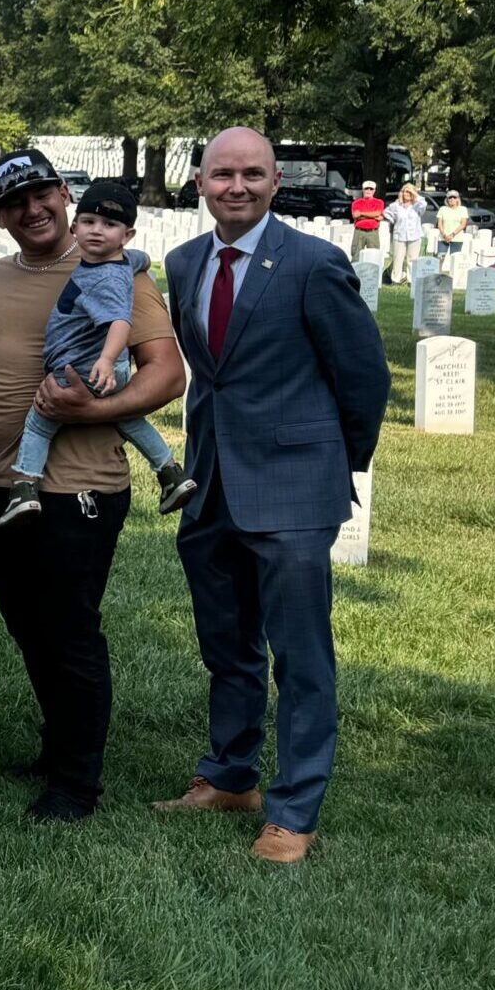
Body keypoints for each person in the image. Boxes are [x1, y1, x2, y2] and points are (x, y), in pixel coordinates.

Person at [159, 127, 388, 866]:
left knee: (301, 656)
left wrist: (331, 466)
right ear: (200, 183)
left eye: (252, 174)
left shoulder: (313, 263)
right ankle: (230, 776)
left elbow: (364, 379)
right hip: (211, 484)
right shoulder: (187, 260)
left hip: (293, 489)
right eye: (223, 174)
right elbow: (211, 374)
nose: (237, 186)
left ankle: (294, 809)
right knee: (226, 644)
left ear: (275, 180)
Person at [0, 148, 184, 822]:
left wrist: (90, 410)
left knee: (69, 630)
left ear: (65, 194)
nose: (33, 210)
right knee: (27, 625)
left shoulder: (115, 270)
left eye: (43, 195)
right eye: (15, 202)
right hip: (1, 479)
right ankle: (56, 744)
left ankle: (76, 783)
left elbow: (165, 375)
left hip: (80, 488)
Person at [0, 180, 192, 526]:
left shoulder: (105, 279)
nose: (97, 231)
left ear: (126, 234)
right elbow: (137, 260)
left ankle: (24, 486)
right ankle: (169, 471)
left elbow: (119, 321)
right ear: (75, 227)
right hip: (100, 369)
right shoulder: (123, 262)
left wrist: (104, 359)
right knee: (129, 420)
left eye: (109, 225)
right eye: (89, 223)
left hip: (81, 368)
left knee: (40, 423)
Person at [385, 184, 426, 284]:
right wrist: (393, 221)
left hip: (414, 235)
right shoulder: (396, 205)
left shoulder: (417, 205)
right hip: (399, 235)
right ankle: (396, 279)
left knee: (412, 259)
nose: (406, 194)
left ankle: (411, 280)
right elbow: (386, 213)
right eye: (404, 191)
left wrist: (415, 194)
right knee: (398, 258)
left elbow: (423, 203)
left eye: (409, 192)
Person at [348, 180, 386, 258]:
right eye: (366, 188)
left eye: (371, 189)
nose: (368, 191)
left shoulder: (379, 202)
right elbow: (355, 215)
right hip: (359, 232)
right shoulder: (356, 203)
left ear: (374, 191)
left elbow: (378, 213)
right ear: (363, 190)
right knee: (356, 255)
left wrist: (361, 214)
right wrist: (373, 217)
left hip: (373, 232)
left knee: (374, 256)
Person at [434, 191, 471, 262]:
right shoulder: (442, 209)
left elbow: (463, 224)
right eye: (450, 197)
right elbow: (440, 224)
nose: (452, 199)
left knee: (455, 261)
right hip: (443, 238)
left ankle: (453, 273)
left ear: (458, 199)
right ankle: (439, 272)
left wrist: (452, 234)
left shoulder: (463, 209)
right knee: (440, 259)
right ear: (447, 199)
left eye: (454, 197)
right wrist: (445, 235)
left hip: (457, 238)